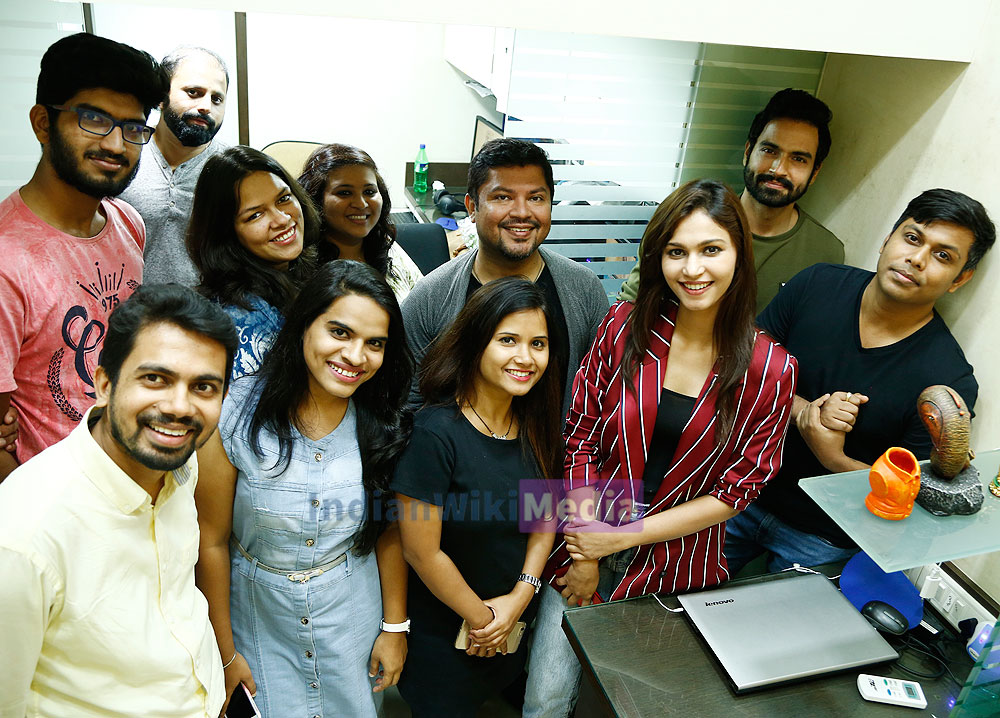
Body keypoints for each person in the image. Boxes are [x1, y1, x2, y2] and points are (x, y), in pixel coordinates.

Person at [524, 179, 797, 718]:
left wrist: (618, 538)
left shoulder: (770, 367)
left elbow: (736, 491)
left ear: (739, 255)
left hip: (678, 566)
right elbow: (578, 436)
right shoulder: (625, 328)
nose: (693, 269)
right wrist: (585, 548)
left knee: (634, 704)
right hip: (584, 537)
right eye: (677, 252)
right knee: (546, 697)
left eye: (711, 250)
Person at [725, 188, 995, 573]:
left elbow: (912, 505)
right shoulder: (816, 284)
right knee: (664, 608)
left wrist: (834, 458)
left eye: (942, 255)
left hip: (825, 538)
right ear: (888, 239)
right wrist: (805, 410)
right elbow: (739, 369)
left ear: (959, 278)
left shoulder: (946, 382)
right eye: (912, 238)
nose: (916, 259)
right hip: (737, 493)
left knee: (768, 631)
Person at [0, 283, 237, 718]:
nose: (179, 407)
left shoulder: (180, 467)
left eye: (204, 387)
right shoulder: (24, 536)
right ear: (104, 383)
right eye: (155, 379)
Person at [194, 260, 414, 717]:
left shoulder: (383, 422)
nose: (355, 356)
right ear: (303, 326)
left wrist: (395, 627)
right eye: (340, 332)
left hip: (350, 612)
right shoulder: (234, 415)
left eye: (375, 344)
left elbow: (387, 530)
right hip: (257, 617)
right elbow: (211, 542)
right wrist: (226, 651)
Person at [392, 277, 562, 717]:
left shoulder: (536, 424)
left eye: (538, 344)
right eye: (508, 340)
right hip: (446, 637)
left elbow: (545, 519)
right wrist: (485, 621)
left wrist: (519, 600)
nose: (525, 358)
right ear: (475, 343)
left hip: (513, 622)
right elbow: (421, 552)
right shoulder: (434, 432)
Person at [0, 33, 166, 480]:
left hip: (132, 476)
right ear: (42, 123)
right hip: (57, 506)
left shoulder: (127, 222)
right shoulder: (5, 259)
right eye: (94, 119)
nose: (115, 145)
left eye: (133, 128)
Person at [402, 138, 609, 412]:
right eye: (503, 197)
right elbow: (407, 407)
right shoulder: (430, 299)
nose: (522, 213)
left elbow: (599, 399)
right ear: (472, 207)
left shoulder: (584, 290)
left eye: (536, 198)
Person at [620, 88, 843, 314]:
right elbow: (630, 309)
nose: (778, 169)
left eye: (798, 159)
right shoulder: (683, 221)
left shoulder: (825, 253)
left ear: (814, 172)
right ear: (748, 152)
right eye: (769, 150)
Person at [187, 145, 319, 380]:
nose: (282, 219)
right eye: (255, 215)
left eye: (284, 198)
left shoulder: (296, 274)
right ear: (226, 235)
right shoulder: (240, 321)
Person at [120, 46, 230, 286]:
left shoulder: (233, 168)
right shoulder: (122, 157)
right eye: (193, 92)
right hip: (130, 317)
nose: (206, 107)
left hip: (211, 317)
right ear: (161, 98)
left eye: (217, 99)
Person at [298, 143, 423, 301]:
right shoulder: (302, 265)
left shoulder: (384, 244)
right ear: (316, 199)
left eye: (369, 192)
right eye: (344, 193)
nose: (361, 204)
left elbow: (425, 303)